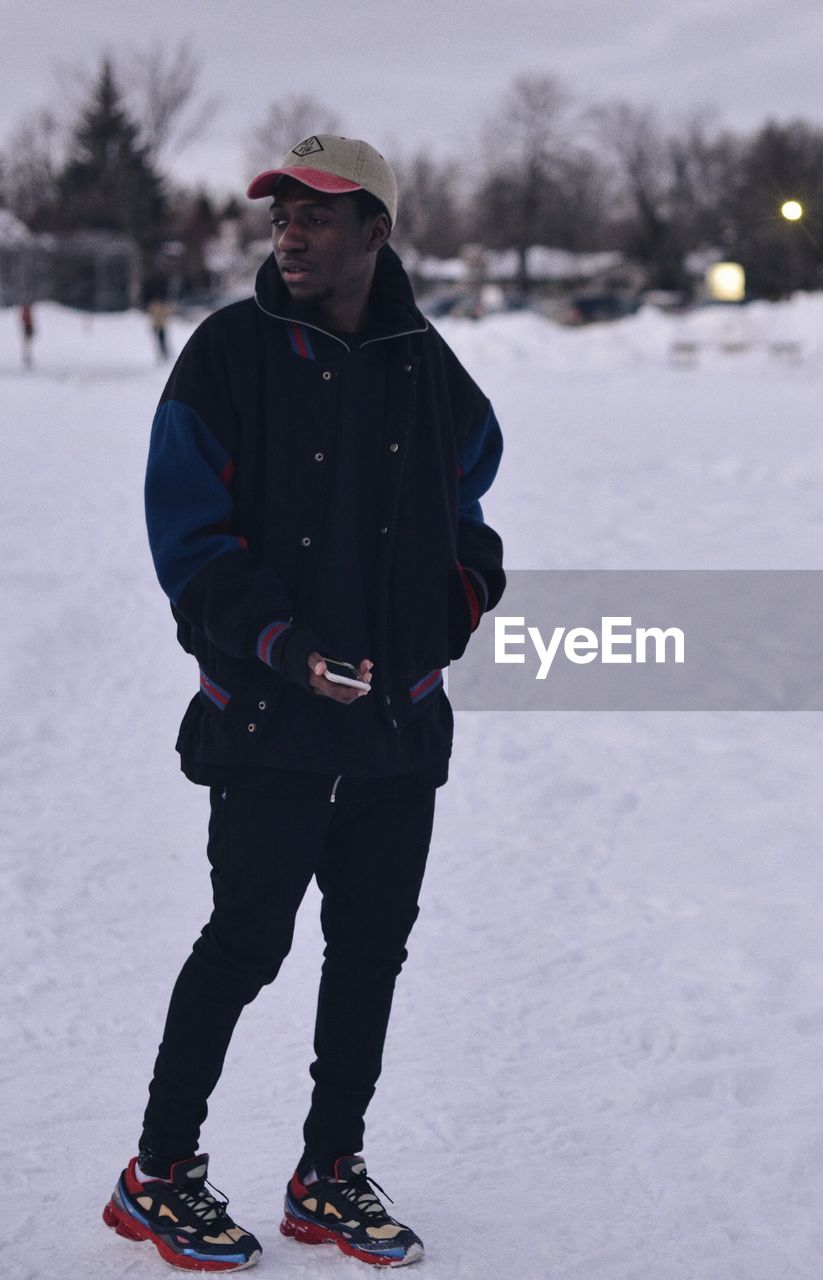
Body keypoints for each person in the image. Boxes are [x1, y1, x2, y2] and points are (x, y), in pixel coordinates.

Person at [103, 134, 504, 1271]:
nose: (289, 230)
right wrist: (278, 642)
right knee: (243, 942)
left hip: (394, 724)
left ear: (374, 232)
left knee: (370, 949)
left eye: (318, 215)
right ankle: (158, 1171)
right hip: (271, 716)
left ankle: (329, 1170)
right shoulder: (229, 353)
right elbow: (188, 536)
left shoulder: (426, 365)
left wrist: (456, 599)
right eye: (280, 212)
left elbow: (472, 487)